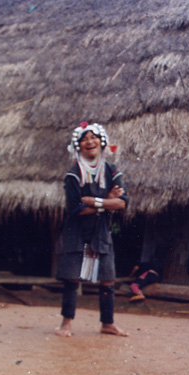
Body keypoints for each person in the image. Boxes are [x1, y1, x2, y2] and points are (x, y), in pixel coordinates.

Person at [55, 122, 129, 337]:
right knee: (72, 278)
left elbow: (123, 202)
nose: (90, 142)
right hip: (77, 231)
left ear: (101, 141)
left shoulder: (111, 169)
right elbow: (75, 208)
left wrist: (95, 201)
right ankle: (66, 324)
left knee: (107, 278)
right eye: (84, 139)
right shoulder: (74, 173)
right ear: (78, 145)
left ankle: (108, 323)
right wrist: (107, 202)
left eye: (93, 137)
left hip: (100, 231)